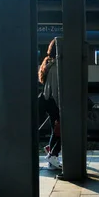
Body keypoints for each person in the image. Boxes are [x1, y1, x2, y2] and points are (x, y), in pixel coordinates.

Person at [38, 38, 62, 170]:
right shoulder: (56, 66)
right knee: (61, 130)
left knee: (56, 129)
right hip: (53, 101)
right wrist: (61, 107)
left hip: (48, 101)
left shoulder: (49, 63)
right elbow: (56, 89)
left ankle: (51, 157)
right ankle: (53, 154)